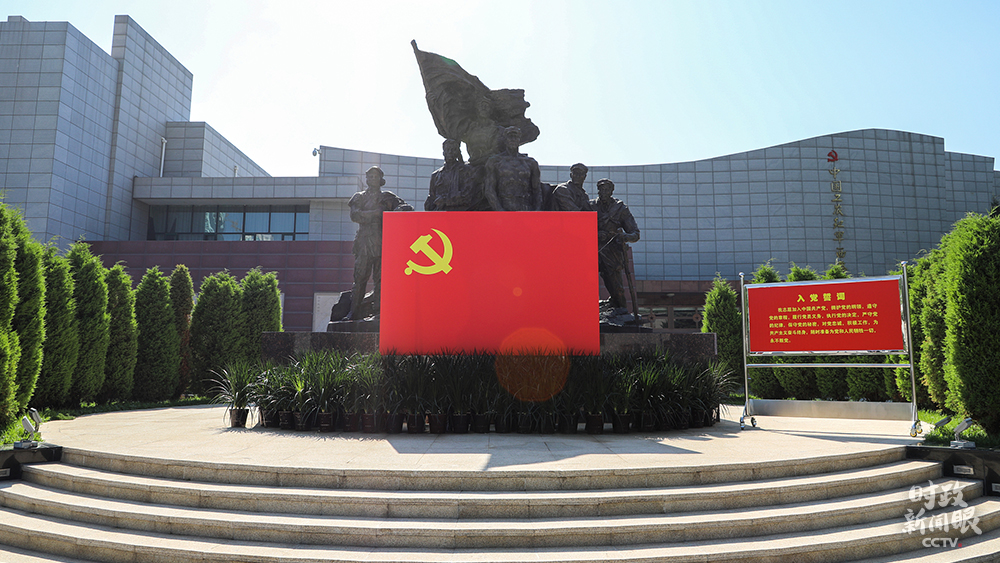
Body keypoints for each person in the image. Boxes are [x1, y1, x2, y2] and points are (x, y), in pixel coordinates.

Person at [345, 166, 413, 320]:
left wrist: (396, 212)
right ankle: (353, 312)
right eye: (370, 176)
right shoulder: (359, 197)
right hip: (364, 241)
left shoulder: (387, 197)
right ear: (366, 179)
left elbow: (407, 208)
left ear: (381, 179)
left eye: (376, 176)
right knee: (360, 277)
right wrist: (377, 213)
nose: (373, 179)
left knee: (381, 278)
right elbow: (355, 215)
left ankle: (379, 312)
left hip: (382, 242)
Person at [592, 178, 640, 310]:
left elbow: (635, 234)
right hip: (593, 250)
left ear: (612, 191)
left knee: (615, 283)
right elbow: (580, 228)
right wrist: (596, 234)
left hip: (613, 251)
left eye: (606, 189)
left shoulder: (620, 208)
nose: (603, 192)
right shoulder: (590, 206)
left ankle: (620, 307)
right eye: (601, 189)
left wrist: (624, 237)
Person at [483, 126, 541, 211]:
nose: (513, 139)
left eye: (515, 137)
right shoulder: (495, 161)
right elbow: (489, 189)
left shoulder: (530, 163)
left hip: (525, 207)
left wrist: (536, 211)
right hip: (504, 205)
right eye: (510, 137)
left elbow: (537, 190)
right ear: (505, 140)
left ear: (519, 140)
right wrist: (500, 210)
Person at [424, 139, 477, 211]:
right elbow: (432, 198)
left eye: (453, 150)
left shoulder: (466, 171)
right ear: (444, 152)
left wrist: (445, 200)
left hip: (460, 213)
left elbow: (468, 196)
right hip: (440, 214)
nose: (450, 152)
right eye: (447, 150)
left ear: (457, 152)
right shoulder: (436, 175)